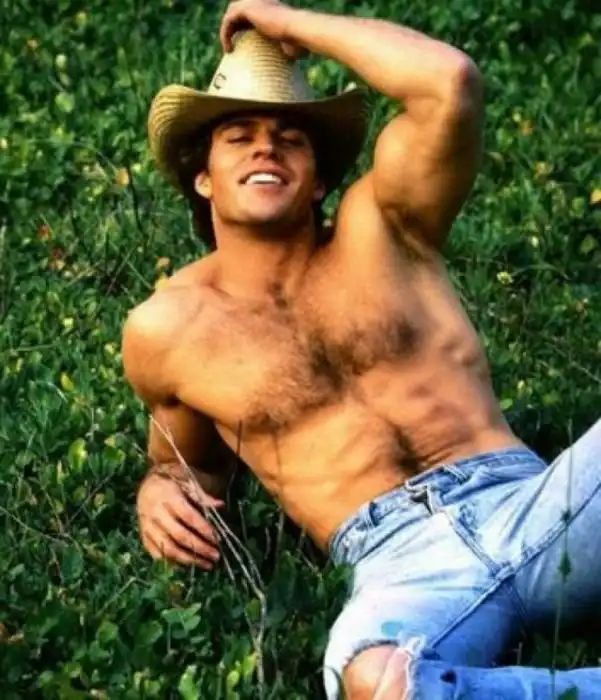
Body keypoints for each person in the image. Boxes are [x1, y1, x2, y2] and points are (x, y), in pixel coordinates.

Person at [121, 1, 601, 698]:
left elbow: (448, 82)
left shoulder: (384, 230)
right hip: (396, 562)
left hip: (528, 504)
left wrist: (288, 23)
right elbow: (189, 467)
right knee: (373, 680)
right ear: (203, 177)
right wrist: (158, 488)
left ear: (318, 178)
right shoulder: (165, 330)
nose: (265, 149)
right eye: (239, 137)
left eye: (290, 138)